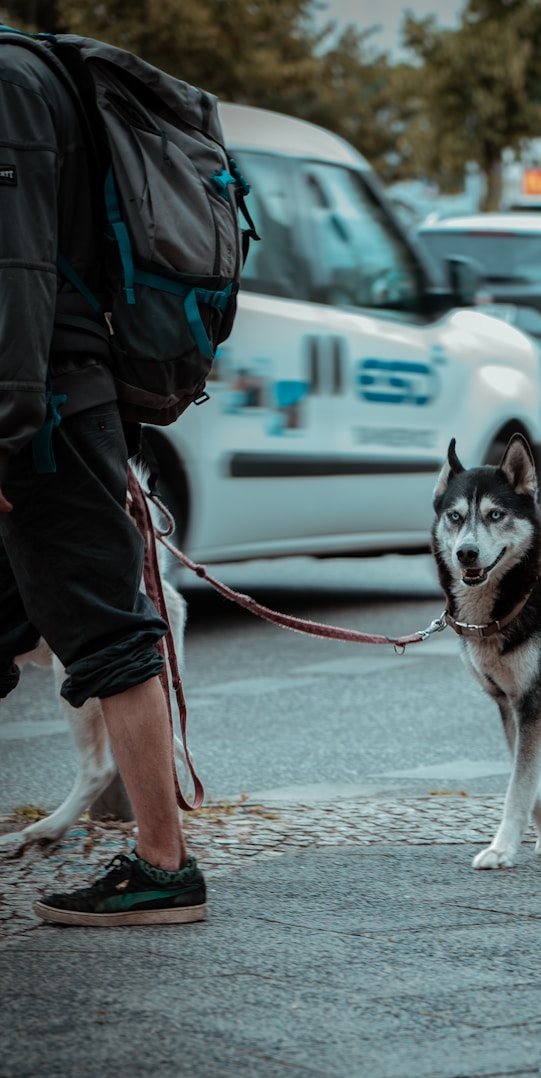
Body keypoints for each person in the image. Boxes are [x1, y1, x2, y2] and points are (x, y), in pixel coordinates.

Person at [0, 38, 206, 926]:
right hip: (52, 401)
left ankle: (164, 866)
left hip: (41, 412)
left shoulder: (9, 84)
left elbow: (16, 274)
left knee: (109, 631)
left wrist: (4, 430)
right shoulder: (33, 76)